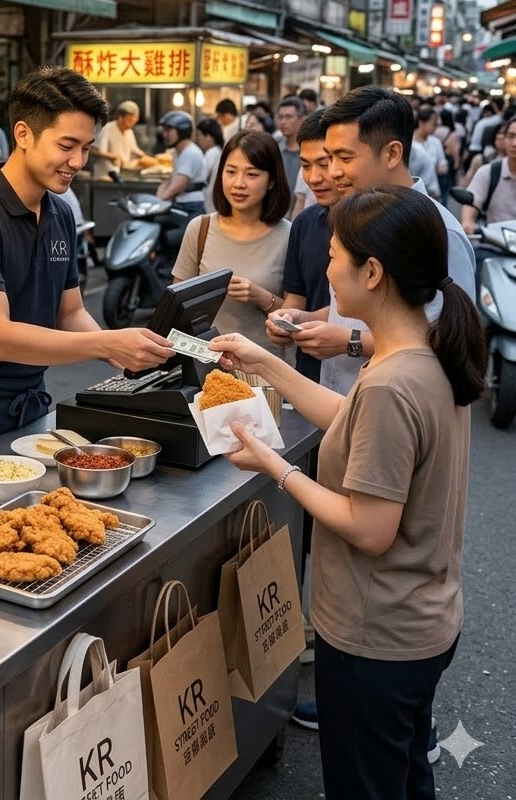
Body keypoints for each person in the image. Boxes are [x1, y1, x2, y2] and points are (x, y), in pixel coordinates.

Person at [213, 185, 484, 800]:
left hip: (376, 637)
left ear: (373, 271)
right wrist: (265, 362)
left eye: (335, 254)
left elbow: (369, 526)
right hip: (423, 621)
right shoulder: (423, 353)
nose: (326, 267)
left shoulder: (392, 382)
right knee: (405, 776)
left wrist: (273, 464)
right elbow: (352, 419)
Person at [0, 66, 173, 454]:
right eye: (66, 146)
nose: (77, 161)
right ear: (23, 134)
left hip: (32, 405)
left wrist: (131, 360)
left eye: (86, 148)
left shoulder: (60, 213)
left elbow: (68, 312)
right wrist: (107, 343)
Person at [275, 85, 476, 394]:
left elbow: (448, 343)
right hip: (340, 405)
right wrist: (305, 319)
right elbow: (354, 316)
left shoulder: (439, 232)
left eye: (344, 157)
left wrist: (349, 343)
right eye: (330, 158)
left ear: (392, 153)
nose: (333, 172)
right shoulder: (355, 218)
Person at [172, 130, 292, 352]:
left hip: (266, 370)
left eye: (252, 174)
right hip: (206, 368)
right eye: (231, 172)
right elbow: (176, 307)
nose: (238, 183)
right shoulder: (200, 228)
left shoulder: (290, 236)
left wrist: (260, 296)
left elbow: (297, 321)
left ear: (272, 181)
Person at [266, 112, 341, 382]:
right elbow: (296, 297)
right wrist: (286, 320)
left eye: (323, 163)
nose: (314, 178)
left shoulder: (375, 229)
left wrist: (347, 339)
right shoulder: (304, 223)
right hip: (309, 373)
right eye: (305, 166)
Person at [461, 116, 516, 232]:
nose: (514, 143)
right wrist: (468, 221)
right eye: (511, 136)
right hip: (494, 243)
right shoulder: (489, 172)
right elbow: (472, 202)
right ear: (504, 140)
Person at [155, 111, 206, 217]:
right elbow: (171, 179)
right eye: (164, 131)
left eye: (168, 131)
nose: (165, 135)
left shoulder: (190, 153)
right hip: (182, 203)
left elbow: (176, 186)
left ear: (182, 131)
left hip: (190, 207)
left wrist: (158, 200)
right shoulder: (178, 152)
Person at [90, 99, 153, 178]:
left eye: (133, 121)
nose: (131, 124)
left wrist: (146, 157)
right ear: (120, 117)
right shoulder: (107, 129)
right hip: (105, 176)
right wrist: (113, 156)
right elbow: (94, 151)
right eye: (129, 120)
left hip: (122, 174)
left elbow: (135, 150)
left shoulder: (129, 131)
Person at [275, 95, 305, 198]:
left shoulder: (308, 152)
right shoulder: (275, 149)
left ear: (301, 119)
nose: (282, 122)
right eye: (280, 117)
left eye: (288, 117)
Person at [195, 117, 224, 212]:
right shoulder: (218, 151)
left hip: (210, 202)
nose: (198, 139)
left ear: (209, 137)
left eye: (199, 135)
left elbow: (200, 178)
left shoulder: (211, 153)